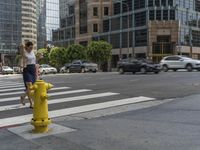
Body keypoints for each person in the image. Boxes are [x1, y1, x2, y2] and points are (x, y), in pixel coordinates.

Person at [19, 41, 36, 108]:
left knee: (32, 88)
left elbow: (34, 61)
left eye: (32, 47)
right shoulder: (24, 52)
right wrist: (24, 45)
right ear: (27, 47)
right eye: (30, 47)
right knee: (29, 87)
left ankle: (23, 96)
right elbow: (21, 46)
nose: (31, 49)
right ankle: (31, 103)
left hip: (33, 69)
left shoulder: (32, 52)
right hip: (27, 70)